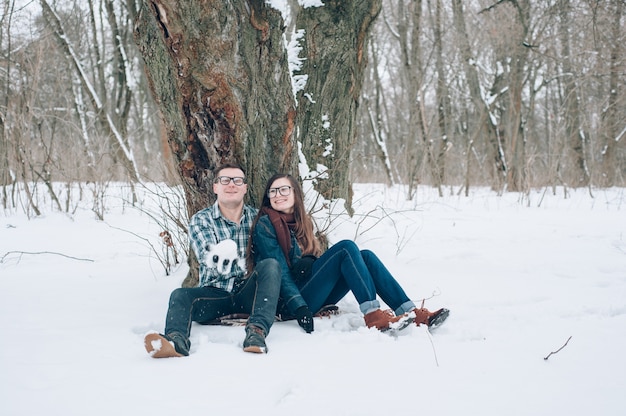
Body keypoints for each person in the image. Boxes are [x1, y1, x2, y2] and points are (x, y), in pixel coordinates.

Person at [248, 173, 449, 334]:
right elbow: (280, 272)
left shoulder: (302, 223)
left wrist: (310, 262)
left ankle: (410, 313)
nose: (277, 195)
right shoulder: (266, 224)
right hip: (291, 302)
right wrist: (299, 307)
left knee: (366, 256)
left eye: (284, 189)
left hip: (310, 291)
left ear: (295, 194)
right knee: (346, 248)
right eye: (272, 191)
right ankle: (373, 315)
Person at [144, 163, 281, 356]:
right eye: (225, 180)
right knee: (180, 295)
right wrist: (243, 263)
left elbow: (269, 259)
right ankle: (176, 341)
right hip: (215, 295)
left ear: (245, 188)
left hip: (248, 293)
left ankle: (256, 333)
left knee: (271, 265)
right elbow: (213, 261)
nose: (231, 185)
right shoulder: (202, 220)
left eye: (237, 180)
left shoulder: (258, 218)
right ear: (215, 187)